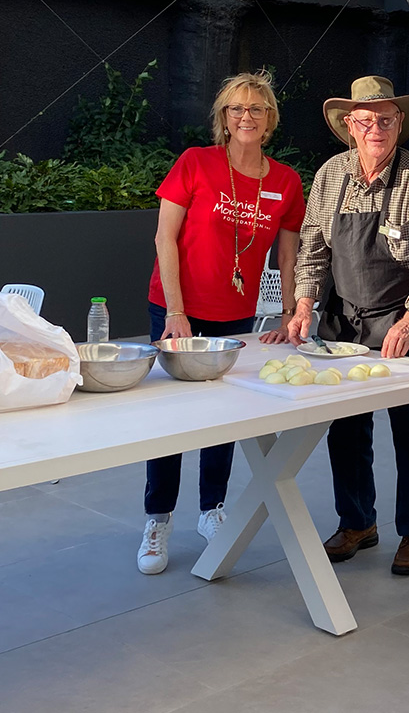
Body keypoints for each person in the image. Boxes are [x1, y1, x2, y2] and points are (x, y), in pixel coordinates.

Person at [138, 70, 305, 575]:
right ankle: (158, 517)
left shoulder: (285, 181)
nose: (246, 116)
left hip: (235, 314)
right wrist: (175, 310)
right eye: (236, 108)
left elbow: (288, 255)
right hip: (177, 311)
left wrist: (288, 312)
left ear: (270, 119)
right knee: (171, 418)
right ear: (224, 119)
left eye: (256, 108)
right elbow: (164, 238)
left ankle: (212, 508)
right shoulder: (195, 162)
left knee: (224, 417)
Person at [287, 75, 409, 576]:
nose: (376, 128)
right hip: (343, 319)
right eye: (366, 120)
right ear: (349, 126)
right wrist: (304, 304)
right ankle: (357, 522)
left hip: (401, 318)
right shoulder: (330, 174)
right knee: (347, 431)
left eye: (386, 119)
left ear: (400, 123)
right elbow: (313, 247)